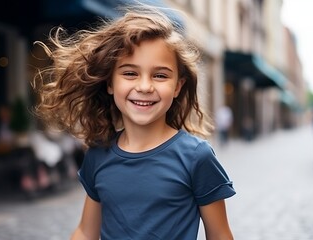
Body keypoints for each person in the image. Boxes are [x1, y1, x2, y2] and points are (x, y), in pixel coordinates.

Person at [32, 5, 235, 240]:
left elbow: (220, 235)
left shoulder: (196, 157)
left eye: (160, 75)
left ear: (178, 86)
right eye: (130, 73)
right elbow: (86, 232)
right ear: (110, 83)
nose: (145, 87)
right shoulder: (99, 154)